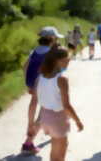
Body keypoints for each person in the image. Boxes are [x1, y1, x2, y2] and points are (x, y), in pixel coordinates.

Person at [29, 48, 84, 161]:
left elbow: (35, 101)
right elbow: (66, 106)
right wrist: (77, 121)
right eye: (67, 59)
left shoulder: (40, 77)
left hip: (45, 117)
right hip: (58, 119)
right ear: (58, 61)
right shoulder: (61, 79)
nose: (69, 61)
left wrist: (33, 123)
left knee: (55, 148)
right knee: (60, 154)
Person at [22, 26, 64, 154]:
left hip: (33, 83)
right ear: (51, 38)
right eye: (55, 37)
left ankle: (31, 124)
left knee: (35, 104)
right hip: (44, 85)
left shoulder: (34, 51)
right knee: (45, 112)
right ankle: (28, 143)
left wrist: (29, 84)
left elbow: (25, 66)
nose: (56, 39)